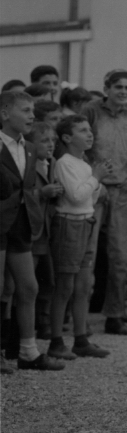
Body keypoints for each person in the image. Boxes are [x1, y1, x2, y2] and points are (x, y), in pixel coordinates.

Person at [0, 90, 64, 372]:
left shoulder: (28, 147)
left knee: (29, 286)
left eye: (32, 111)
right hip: (0, 223)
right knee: (1, 288)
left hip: (21, 224)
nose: (31, 116)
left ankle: (28, 351)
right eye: (25, 111)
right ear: (4, 114)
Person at [81, 69, 127, 334]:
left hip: (121, 190)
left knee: (120, 256)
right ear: (106, 87)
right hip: (94, 191)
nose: (123, 91)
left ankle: (115, 315)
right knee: (88, 255)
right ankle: (78, 317)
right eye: (118, 87)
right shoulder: (91, 110)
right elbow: (79, 147)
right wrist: (94, 179)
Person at [48, 115, 111, 360]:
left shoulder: (83, 163)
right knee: (65, 286)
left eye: (89, 130)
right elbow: (75, 196)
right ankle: (55, 341)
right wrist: (96, 178)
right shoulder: (64, 163)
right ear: (66, 137)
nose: (89, 134)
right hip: (69, 226)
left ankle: (81, 338)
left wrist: (96, 183)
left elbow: (89, 198)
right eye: (83, 131)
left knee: (84, 285)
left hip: (86, 223)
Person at [23, 122, 59, 341]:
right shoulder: (27, 164)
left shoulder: (52, 163)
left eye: (53, 140)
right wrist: (42, 193)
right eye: (45, 140)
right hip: (31, 229)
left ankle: (44, 322)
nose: (51, 145)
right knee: (29, 281)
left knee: (48, 279)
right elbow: (23, 195)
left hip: (48, 230)